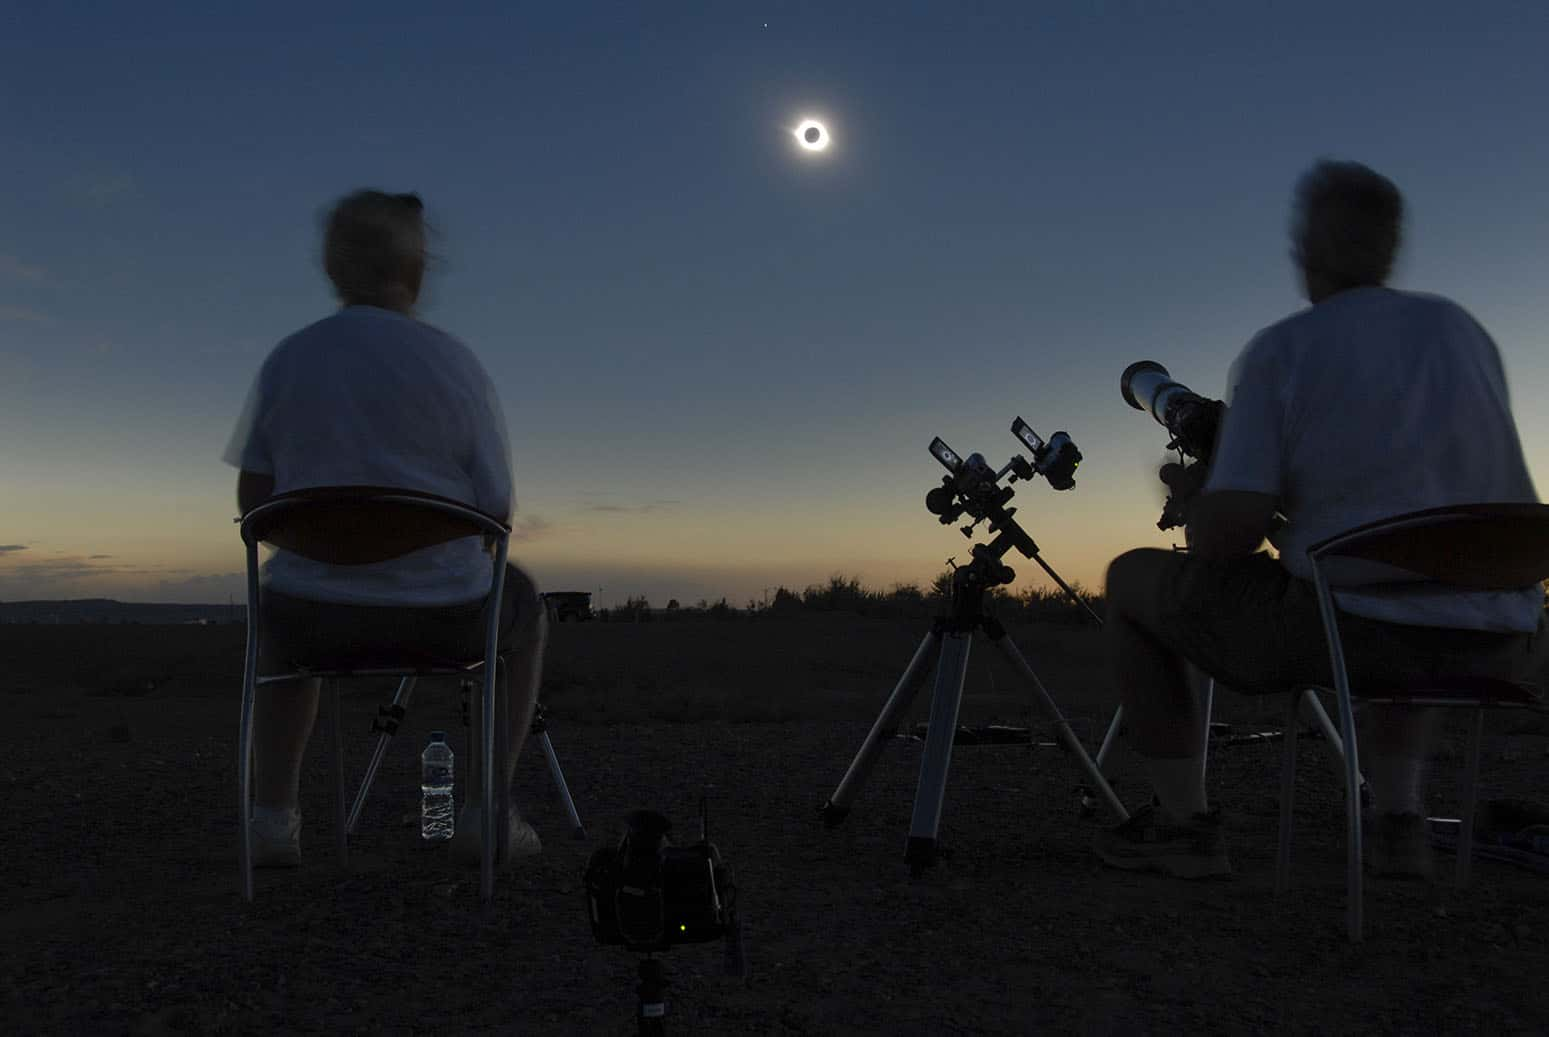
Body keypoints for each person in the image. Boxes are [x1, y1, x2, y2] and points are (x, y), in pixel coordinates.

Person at [1095, 160, 1547, 880]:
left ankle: (1184, 826)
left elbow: (1224, 541)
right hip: (1502, 641)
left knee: (1129, 581)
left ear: (1307, 247)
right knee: (1409, 584)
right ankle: (1396, 820)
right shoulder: (1462, 332)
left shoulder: (1280, 351)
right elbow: (1399, 504)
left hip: (1361, 638)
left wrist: (1201, 493)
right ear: (1389, 245)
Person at [224, 189, 545, 869]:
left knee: (277, 622)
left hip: (310, 620)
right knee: (525, 606)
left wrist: (334, 546)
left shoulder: (290, 360)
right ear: (417, 268)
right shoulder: (456, 365)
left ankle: (274, 819)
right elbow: (497, 510)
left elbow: (253, 501)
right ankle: (487, 812)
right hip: (445, 618)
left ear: (334, 269)